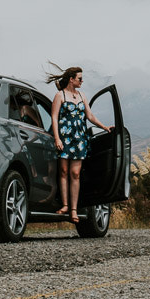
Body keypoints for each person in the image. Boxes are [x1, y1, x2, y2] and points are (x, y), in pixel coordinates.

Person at [46, 64, 112, 222]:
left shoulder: (82, 96)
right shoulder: (60, 95)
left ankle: (74, 210)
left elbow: (90, 116)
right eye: (79, 79)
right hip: (64, 137)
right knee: (63, 172)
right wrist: (57, 138)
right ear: (71, 80)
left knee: (75, 174)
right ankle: (65, 205)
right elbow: (54, 117)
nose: (82, 81)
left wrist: (104, 127)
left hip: (79, 139)